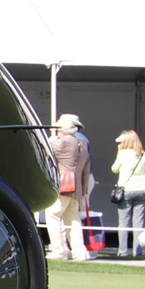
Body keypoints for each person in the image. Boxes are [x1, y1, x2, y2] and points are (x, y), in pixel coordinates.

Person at [46, 112, 93, 261]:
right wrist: (83, 191)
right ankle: (80, 252)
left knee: (53, 215)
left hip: (63, 186)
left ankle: (59, 250)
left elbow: (45, 148)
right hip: (76, 188)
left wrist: (52, 138)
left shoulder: (62, 142)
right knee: (73, 219)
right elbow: (86, 170)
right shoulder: (83, 145)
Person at [111, 130, 145, 258]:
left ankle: (123, 251)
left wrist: (119, 153)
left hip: (125, 191)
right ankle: (137, 251)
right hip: (141, 191)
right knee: (138, 222)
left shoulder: (123, 154)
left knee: (124, 222)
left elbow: (114, 169)